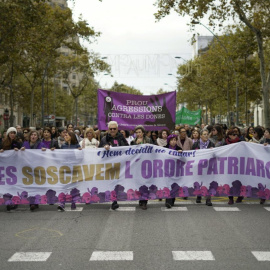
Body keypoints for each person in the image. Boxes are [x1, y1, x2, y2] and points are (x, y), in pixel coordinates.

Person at [99, 121, 129, 210]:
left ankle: (115, 198)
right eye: (110, 129)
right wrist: (104, 146)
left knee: (118, 182)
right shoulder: (104, 138)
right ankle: (114, 201)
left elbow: (127, 148)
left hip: (120, 164)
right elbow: (99, 151)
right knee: (112, 182)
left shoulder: (121, 138)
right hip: (109, 165)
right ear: (108, 129)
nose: (112, 130)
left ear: (117, 129)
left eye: (114, 129)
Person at [57, 132, 82, 211]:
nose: (65, 136)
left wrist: (80, 151)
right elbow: (60, 156)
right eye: (65, 135)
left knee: (73, 186)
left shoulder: (77, 146)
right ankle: (62, 203)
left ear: (71, 136)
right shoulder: (63, 146)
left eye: (67, 135)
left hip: (74, 168)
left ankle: (73, 202)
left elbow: (81, 157)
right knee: (64, 186)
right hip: (65, 168)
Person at [131, 125, 153, 210]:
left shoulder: (148, 140)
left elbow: (153, 149)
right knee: (139, 183)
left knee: (145, 183)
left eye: (139, 132)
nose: (138, 134)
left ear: (143, 133)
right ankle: (140, 199)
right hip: (137, 165)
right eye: (136, 132)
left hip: (146, 164)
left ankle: (144, 201)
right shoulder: (133, 141)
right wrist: (137, 144)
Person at [0, 127, 22, 211]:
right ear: (8, 134)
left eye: (14, 133)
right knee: (7, 185)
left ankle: (14, 201)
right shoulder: (3, 143)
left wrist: (19, 150)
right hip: (5, 168)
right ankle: (8, 201)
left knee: (14, 185)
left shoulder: (17, 143)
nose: (12, 135)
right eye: (11, 133)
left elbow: (22, 153)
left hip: (15, 167)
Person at [192, 129, 215, 206]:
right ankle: (199, 195)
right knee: (199, 181)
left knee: (208, 182)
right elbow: (192, 155)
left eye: (207, 134)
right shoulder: (196, 144)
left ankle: (208, 199)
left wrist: (213, 152)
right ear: (201, 135)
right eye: (204, 134)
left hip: (208, 166)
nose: (206, 136)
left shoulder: (211, 144)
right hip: (199, 166)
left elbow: (215, 155)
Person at [21, 130, 42, 211]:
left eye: (35, 135)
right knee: (30, 185)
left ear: (37, 137)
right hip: (28, 169)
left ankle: (36, 201)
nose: (33, 136)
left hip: (37, 168)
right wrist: (21, 151)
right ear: (30, 136)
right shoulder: (25, 144)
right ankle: (32, 202)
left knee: (36, 185)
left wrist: (44, 150)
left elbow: (47, 155)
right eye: (32, 135)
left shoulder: (41, 144)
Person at [224, 129, 243, 204]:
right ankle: (230, 198)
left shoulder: (241, 142)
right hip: (228, 165)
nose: (235, 136)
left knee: (239, 181)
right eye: (233, 135)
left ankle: (240, 195)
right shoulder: (225, 143)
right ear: (229, 135)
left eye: (236, 135)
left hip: (239, 165)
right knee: (229, 181)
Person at [164, 134, 182, 208]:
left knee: (174, 185)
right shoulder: (164, 148)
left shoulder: (179, 148)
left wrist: (181, 153)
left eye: (175, 140)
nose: (173, 142)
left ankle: (172, 200)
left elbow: (184, 159)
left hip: (176, 170)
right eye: (172, 140)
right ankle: (168, 201)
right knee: (168, 185)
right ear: (169, 141)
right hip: (166, 170)